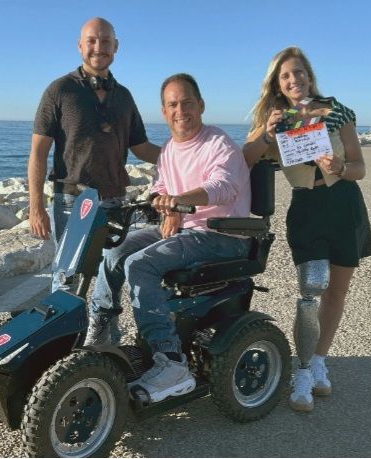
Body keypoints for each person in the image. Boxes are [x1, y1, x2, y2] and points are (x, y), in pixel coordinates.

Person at [84, 73, 252, 403]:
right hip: (185, 229)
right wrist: (165, 204)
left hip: (221, 234)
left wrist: (179, 202)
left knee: (140, 264)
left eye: (187, 102)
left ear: (200, 105)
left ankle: (171, 361)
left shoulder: (218, 143)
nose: (180, 110)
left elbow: (223, 187)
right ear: (164, 111)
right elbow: (160, 186)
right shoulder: (170, 150)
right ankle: (102, 330)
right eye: (173, 104)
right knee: (114, 252)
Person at [242, 46, 371, 412]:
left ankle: (318, 361)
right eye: (285, 76)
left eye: (298, 72)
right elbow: (243, 160)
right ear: (277, 84)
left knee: (337, 291)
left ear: (309, 75)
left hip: (344, 203)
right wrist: (267, 134)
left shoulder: (336, 111)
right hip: (306, 208)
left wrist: (340, 167)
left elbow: (360, 167)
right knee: (310, 289)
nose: (293, 79)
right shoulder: (275, 120)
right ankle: (300, 370)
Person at [27, 17, 160, 293]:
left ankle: (102, 322)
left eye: (105, 41)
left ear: (116, 46)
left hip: (114, 200)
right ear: (80, 46)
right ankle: (65, 323)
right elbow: (38, 152)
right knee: (67, 279)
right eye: (92, 41)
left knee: (108, 278)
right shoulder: (59, 90)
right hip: (72, 201)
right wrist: (36, 206)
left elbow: (142, 148)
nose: (99, 47)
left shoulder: (124, 96)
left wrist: (186, 156)